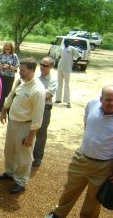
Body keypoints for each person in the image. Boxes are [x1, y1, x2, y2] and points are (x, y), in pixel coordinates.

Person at [46, 85, 113, 218]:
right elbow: (86, 125)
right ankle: (58, 215)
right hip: (81, 159)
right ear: (101, 99)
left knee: (93, 200)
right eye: (108, 99)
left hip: (103, 166)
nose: (111, 103)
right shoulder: (92, 104)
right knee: (69, 190)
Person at [0, 57, 45, 193]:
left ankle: (20, 181)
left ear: (31, 70)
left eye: (22, 70)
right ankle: (10, 172)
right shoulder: (20, 82)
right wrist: (4, 110)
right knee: (9, 150)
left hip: (25, 126)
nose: (19, 72)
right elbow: (11, 96)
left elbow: (38, 117)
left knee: (24, 156)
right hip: (13, 123)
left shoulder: (38, 90)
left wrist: (30, 137)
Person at [32, 56, 57, 167]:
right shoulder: (35, 77)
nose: (42, 67)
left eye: (45, 65)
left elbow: (47, 95)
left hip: (44, 110)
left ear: (51, 67)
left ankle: (37, 157)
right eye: (41, 64)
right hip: (32, 108)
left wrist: (34, 94)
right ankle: (27, 155)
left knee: (41, 135)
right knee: (28, 130)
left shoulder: (53, 80)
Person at [55, 39, 79, 108]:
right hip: (60, 68)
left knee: (67, 85)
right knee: (59, 83)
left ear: (69, 42)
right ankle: (58, 99)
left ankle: (68, 101)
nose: (65, 43)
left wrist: (74, 63)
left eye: (67, 42)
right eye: (65, 42)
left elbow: (78, 56)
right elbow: (58, 56)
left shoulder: (72, 49)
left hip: (67, 69)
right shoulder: (62, 48)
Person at [0, 42, 19, 111]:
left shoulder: (14, 56)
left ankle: (5, 107)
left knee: (7, 92)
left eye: (8, 49)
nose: (6, 50)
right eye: (5, 49)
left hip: (9, 76)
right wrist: (0, 65)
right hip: (1, 75)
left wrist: (9, 66)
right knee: (0, 91)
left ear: (11, 49)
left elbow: (16, 67)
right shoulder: (1, 54)